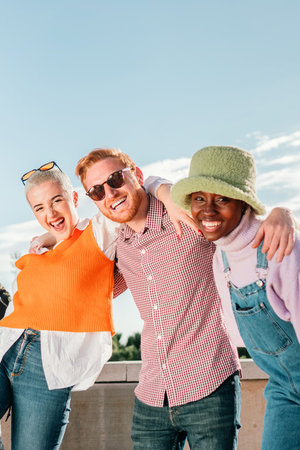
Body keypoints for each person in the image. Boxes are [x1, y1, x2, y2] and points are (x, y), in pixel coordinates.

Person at [74, 147, 296, 450]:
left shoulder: (188, 219)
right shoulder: (119, 248)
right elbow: (89, 291)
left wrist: (281, 213)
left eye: (115, 179)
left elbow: (236, 215)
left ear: (136, 175)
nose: (110, 193)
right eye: (97, 191)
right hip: (151, 394)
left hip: (210, 383)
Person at [171, 145, 300, 450]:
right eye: (199, 198)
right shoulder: (222, 260)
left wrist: (285, 212)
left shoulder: (281, 251)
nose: (208, 210)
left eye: (222, 199)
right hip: (285, 392)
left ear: (244, 204)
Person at [0, 163, 119, 449]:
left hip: (47, 370)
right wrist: (49, 238)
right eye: (39, 208)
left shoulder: (98, 235)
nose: (50, 214)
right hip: (6, 350)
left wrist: (160, 187)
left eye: (57, 201)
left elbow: (131, 196)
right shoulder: (36, 250)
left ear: (74, 199)